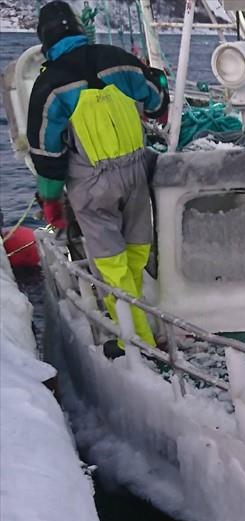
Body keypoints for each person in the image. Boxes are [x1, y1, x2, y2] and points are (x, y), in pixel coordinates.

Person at [27, 1, 169, 352]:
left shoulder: (50, 85)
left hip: (91, 186)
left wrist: (50, 201)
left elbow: (46, 153)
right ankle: (142, 324)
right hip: (137, 174)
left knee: (111, 266)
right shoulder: (117, 58)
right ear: (78, 28)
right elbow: (155, 100)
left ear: (45, 40)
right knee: (137, 252)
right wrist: (158, 89)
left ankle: (137, 345)